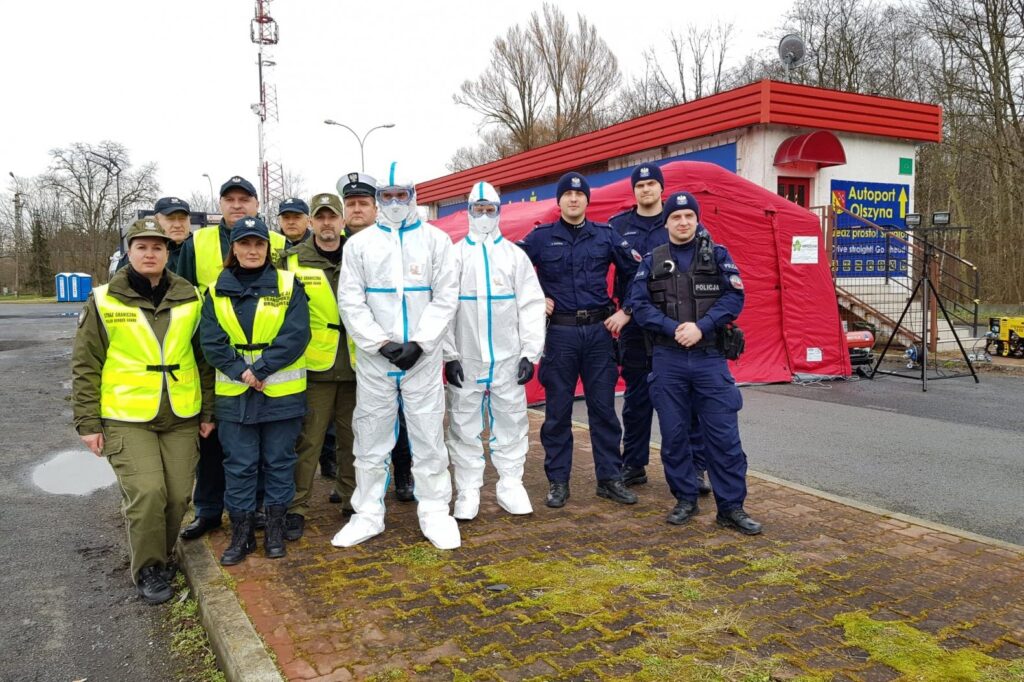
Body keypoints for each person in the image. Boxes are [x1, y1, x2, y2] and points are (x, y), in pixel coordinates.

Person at [72, 218, 214, 604]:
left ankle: (161, 554)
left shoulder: (190, 296)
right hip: (126, 415)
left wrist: (208, 411)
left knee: (180, 495)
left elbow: (203, 359)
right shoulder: (104, 299)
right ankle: (150, 567)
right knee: (149, 493)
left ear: (168, 253)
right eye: (142, 247)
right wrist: (87, 422)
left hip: (181, 412)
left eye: (158, 247)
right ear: (129, 252)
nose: (150, 253)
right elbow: (86, 364)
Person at [331, 163, 460, 550]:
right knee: (370, 438)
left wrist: (420, 342)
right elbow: (350, 300)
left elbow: (446, 296)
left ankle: (435, 510)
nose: (394, 202)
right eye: (386, 196)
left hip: (422, 360)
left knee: (428, 437)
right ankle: (367, 513)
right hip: (376, 362)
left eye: (400, 195)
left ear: (412, 195)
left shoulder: (437, 242)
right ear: (378, 200)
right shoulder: (359, 245)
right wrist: (380, 344)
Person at [626, 191, 762, 535]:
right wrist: (674, 329)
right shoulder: (652, 260)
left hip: (709, 358)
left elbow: (735, 296)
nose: (683, 222)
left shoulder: (718, 256)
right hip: (668, 359)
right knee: (674, 436)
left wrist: (701, 327)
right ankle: (685, 498)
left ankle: (731, 507)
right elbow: (639, 306)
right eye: (676, 217)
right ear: (667, 222)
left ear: (697, 219)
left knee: (724, 437)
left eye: (689, 216)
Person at [517, 172, 640, 509]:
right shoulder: (541, 238)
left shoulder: (605, 235)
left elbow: (638, 273)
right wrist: (534, 298)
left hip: (600, 333)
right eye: (567, 194)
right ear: (558, 201)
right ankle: (558, 481)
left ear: (587, 200)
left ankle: (610, 479)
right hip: (560, 334)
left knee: (603, 410)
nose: (573, 199)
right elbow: (510, 269)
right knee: (557, 412)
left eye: (579, 194)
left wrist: (626, 310)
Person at [177, 177, 286, 541]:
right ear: (220, 205)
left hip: (266, 364)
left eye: (245, 199)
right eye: (230, 199)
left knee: (257, 442)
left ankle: (253, 511)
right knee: (212, 439)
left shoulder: (280, 242)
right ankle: (208, 510)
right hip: (214, 354)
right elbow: (183, 292)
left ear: (256, 204)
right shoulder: (199, 241)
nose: (237, 205)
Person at [200, 216, 310, 564]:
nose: (251, 250)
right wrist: (240, 371)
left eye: (258, 244)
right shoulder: (216, 289)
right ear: (233, 248)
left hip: (281, 393)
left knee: (279, 462)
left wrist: (260, 369)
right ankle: (242, 535)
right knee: (240, 466)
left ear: (268, 247)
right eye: (244, 243)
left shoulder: (289, 285)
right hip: (235, 396)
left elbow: (296, 335)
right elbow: (211, 340)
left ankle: (275, 532)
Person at [443, 182, 545, 520]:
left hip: (507, 356)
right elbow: (443, 308)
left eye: (490, 210)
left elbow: (531, 306)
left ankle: (510, 483)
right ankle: (468, 489)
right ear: (469, 210)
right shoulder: (455, 256)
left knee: (512, 420)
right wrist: (449, 354)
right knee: (463, 422)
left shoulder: (515, 256)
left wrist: (531, 353)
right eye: (478, 209)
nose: (484, 216)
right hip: (468, 357)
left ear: (499, 212)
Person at [610, 165, 712, 496]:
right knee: (637, 399)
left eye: (652, 183)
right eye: (640, 185)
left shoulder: (682, 222)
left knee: (687, 401)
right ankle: (634, 464)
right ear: (634, 190)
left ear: (661, 188)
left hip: (677, 328)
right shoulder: (618, 226)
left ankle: (696, 467)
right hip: (637, 327)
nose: (646, 189)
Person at [279, 192, 357, 540]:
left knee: (354, 439)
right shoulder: (291, 260)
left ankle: (354, 500)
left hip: (358, 364)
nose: (327, 223)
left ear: (342, 221)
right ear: (310, 222)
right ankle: (296, 506)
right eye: (320, 217)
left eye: (332, 217)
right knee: (307, 441)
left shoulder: (360, 254)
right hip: (315, 367)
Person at [337, 172, 415, 504]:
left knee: (401, 419)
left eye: (363, 203)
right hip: (341, 355)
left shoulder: (399, 241)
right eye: (350, 204)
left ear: (375, 206)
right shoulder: (334, 243)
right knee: (358, 426)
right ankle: (356, 485)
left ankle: (403, 473)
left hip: (393, 351)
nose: (357, 210)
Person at [113, 197, 194, 273]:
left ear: (189, 221)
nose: (177, 225)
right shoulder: (135, 257)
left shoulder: (201, 250)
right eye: (171, 219)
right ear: (156, 220)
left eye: (182, 218)